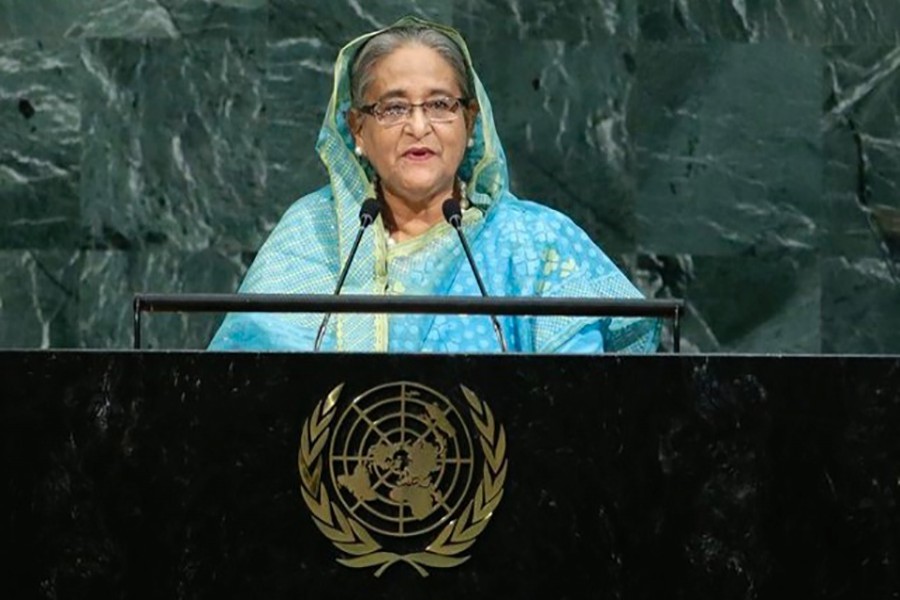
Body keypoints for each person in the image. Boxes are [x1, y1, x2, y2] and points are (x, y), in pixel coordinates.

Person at [209, 16, 660, 353]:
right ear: (358, 129)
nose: (418, 126)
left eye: (440, 105)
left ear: (470, 120)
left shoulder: (538, 242)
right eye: (393, 108)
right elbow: (241, 395)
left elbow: (586, 406)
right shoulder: (311, 232)